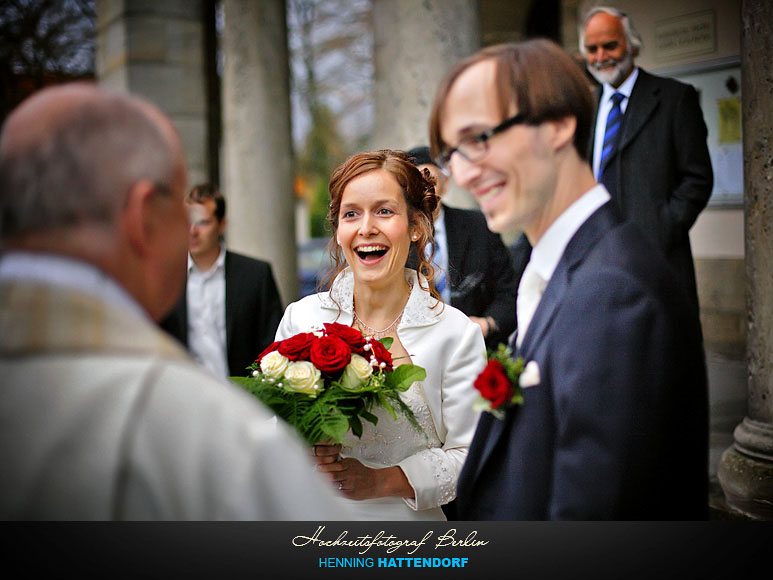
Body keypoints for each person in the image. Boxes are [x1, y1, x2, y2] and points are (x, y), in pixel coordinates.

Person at [0, 83, 344, 520]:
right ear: (143, 216)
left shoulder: (251, 276)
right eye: (181, 212)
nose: (190, 230)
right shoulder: (218, 444)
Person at [429, 40, 708, 519]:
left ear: (558, 124)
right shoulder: (561, 266)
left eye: (478, 139)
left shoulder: (615, 292)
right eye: (452, 152)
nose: (463, 171)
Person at [276, 150, 486, 521]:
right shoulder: (301, 318)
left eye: (385, 211)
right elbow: (275, 433)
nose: (366, 228)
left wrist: (385, 481)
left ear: (417, 225)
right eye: (351, 213)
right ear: (339, 230)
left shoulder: (456, 334)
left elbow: (471, 457)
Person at [580, 6, 713, 311]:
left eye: (610, 45)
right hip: (596, 254)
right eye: (592, 49)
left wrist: (662, 226)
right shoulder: (583, 107)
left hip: (658, 256)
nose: (601, 56)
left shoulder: (674, 98)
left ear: (631, 44)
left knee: (663, 350)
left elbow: (698, 178)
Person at [159, 183, 283, 378]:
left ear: (222, 225)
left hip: (243, 396)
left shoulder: (256, 275)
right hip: (184, 395)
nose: (192, 231)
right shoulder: (165, 277)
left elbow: (273, 344)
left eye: (203, 222)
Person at [406, 146, 517, 349]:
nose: (424, 191)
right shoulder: (395, 239)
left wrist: (488, 324)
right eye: (415, 184)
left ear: (446, 184)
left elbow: (509, 291)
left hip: (479, 349)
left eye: (432, 182)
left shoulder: (480, 227)